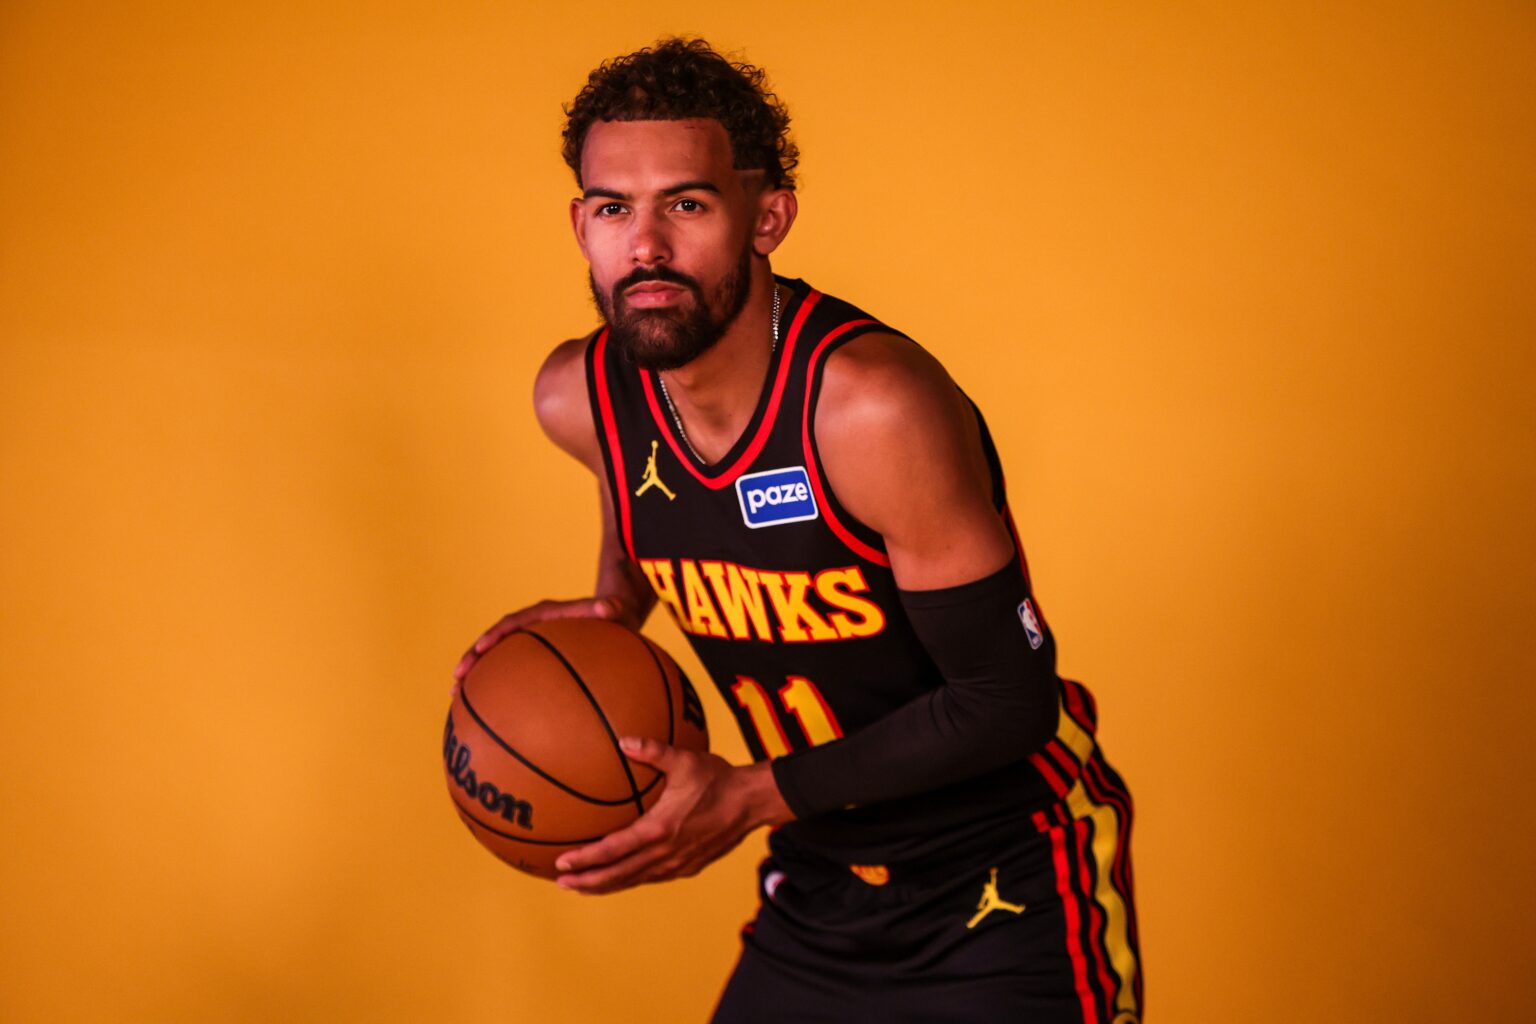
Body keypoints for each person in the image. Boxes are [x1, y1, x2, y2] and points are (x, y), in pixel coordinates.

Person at [454, 38, 1143, 1024]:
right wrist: (617, 596)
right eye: (614, 209)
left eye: (686, 205)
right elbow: (647, 485)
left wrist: (746, 795)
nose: (644, 248)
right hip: (824, 878)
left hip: (1007, 877)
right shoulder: (579, 399)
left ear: (765, 216)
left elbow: (1005, 700)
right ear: (580, 224)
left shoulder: (866, 409)